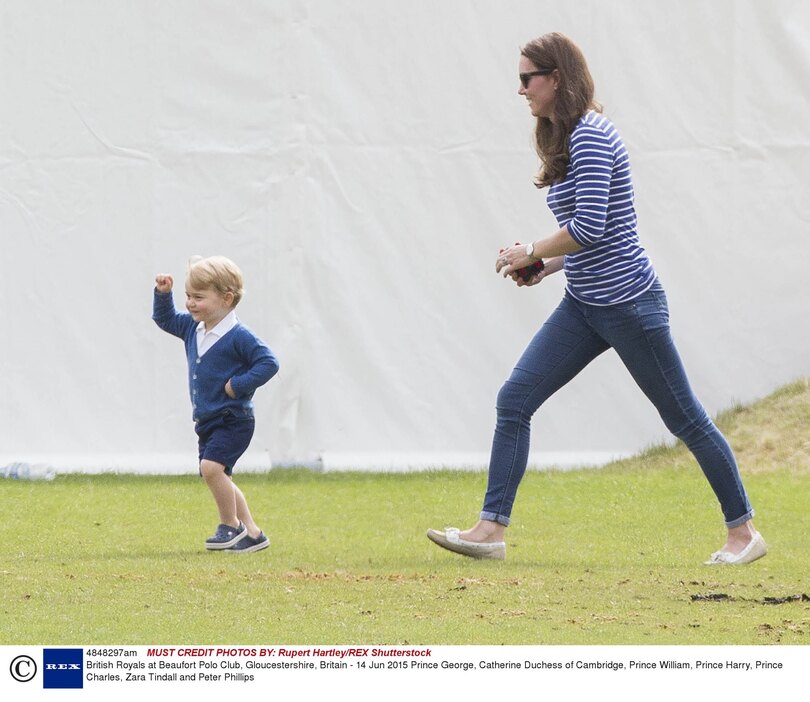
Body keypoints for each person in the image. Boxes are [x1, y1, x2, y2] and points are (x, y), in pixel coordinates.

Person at [427, 32, 766, 566]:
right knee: (515, 399)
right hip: (585, 305)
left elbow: (588, 227)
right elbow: (589, 237)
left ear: (556, 78)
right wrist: (544, 265)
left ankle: (743, 533)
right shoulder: (566, 137)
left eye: (526, 78)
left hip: (630, 305)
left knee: (685, 420)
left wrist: (530, 248)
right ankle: (490, 529)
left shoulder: (590, 134)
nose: (519, 90)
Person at [153, 255, 279, 553]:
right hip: (207, 419)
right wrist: (162, 294)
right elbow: (165, 319)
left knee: (211, 469)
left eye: (198, 297)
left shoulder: (239, 337)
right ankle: (253, 533)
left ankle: (230, 525)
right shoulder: (192, 328)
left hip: (233, 418)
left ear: (226, 298)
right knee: (219, 475)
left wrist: (238, 385)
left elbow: (268, 363)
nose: (190, 303)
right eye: (187, 296)